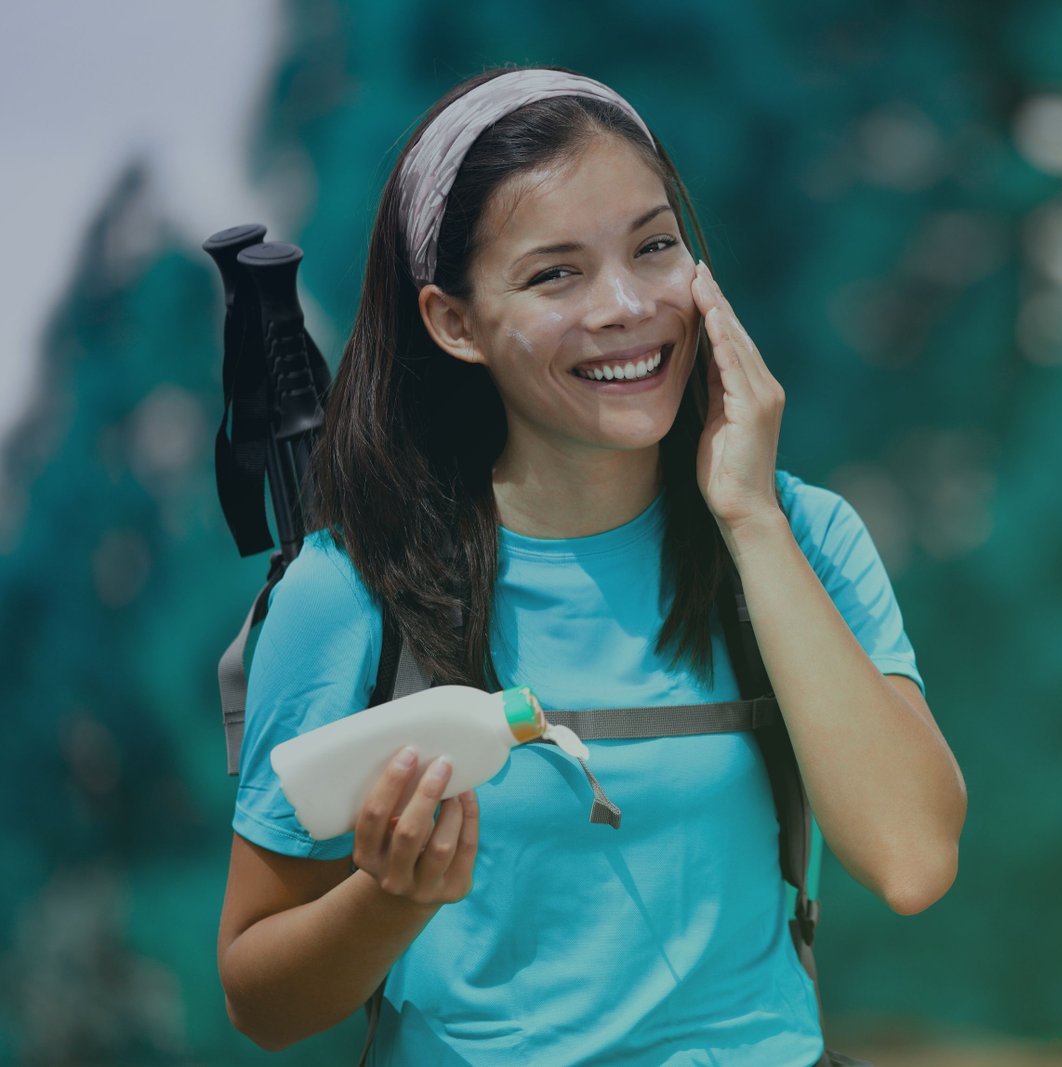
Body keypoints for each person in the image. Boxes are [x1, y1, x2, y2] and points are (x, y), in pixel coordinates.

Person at [216, 65, 967, 1067]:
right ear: (452, 322)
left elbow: (911, 858)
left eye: (655, 246)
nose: (625, 305)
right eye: (555, 272)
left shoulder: (801, 536)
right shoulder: (350, 590)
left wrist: (746, 511)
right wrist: (387, 902)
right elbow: (261, 995)